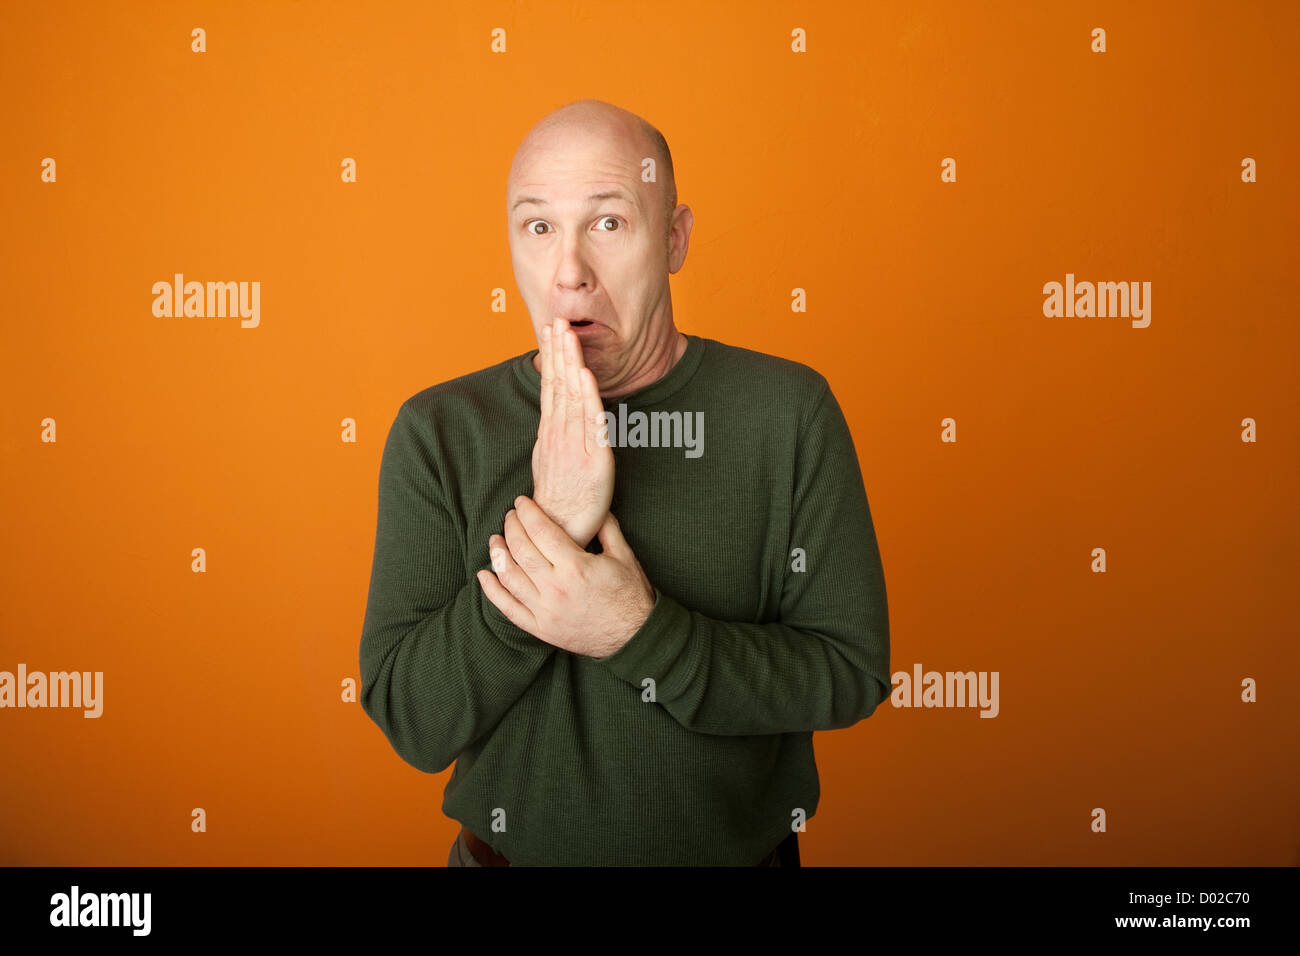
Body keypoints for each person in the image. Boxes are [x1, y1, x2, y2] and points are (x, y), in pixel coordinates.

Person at [358, 98, 890, 866]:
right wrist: (554, 521)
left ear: (674, 240)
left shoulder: (788, 411)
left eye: (609, 223)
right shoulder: (439, 430)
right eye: (538, 228)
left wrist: (640, 635)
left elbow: (849, 674)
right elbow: (413, 720)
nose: (569, 272)